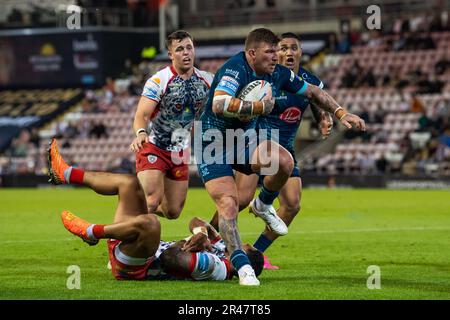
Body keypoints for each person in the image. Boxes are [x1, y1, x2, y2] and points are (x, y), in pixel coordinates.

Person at [197, 28, 365, 286]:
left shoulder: (279, 73)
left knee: (284, 162)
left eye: (279, 50)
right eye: (271, 51)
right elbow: (219, 103)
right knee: (231, 204)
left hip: (245, 140)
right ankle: (241, 266)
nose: (277, 56)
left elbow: (313, 93)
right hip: (214, 141)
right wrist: (257, 107)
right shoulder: (235, 68)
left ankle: (263, 205)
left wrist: (341, 114)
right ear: (252, 53)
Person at [47, 138, 263, 281]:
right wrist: (201, 234)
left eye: (249, 247)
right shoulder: (223, 247)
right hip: (134, 246)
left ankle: (92, 232)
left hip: (137, 265)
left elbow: (171, 258)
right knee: (129, 184)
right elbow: (196, 221)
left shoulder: (218, 268)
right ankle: (65, 173)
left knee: (152, 222)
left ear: (245, 259)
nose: (244, 242)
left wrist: (190, 246)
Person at [209, 32, 333, 269]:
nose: (287, 53)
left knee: (293, 204)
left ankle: (256, 253)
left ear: (300, 52)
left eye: (293, 48)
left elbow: (316, 101)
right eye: (282, 48)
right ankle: (209, 236)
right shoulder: (267, 77)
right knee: (241, 198)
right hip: (257, 143)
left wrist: (324, 118)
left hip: (284, 148)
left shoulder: (309, 81)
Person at [130, 30, 213, 220]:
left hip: (179, 151)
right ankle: (119, 238)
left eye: (189, 48)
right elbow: (141, 114)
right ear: (170, 54)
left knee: (173, 211)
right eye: (180, 49)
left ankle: (132, 206)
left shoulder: (208, 81)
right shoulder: (159, 80)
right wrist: (141, 132)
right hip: (154, 146)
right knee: (151, 200)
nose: (186, 53)